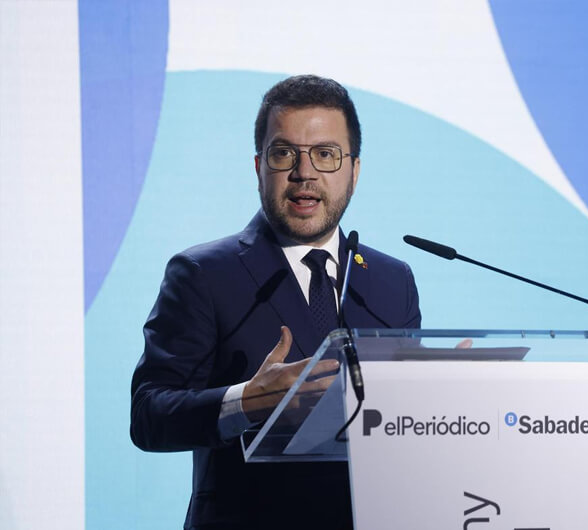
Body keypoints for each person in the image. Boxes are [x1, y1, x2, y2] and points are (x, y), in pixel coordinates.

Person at [130, 74, 422, 529]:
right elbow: (149, 415)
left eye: (326, 154)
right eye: (284, 153)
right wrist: (243, 402)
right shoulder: (203, 273)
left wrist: (440, 396)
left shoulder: (391, 280)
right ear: (258, 166)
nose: (305, 173)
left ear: (354, 170)